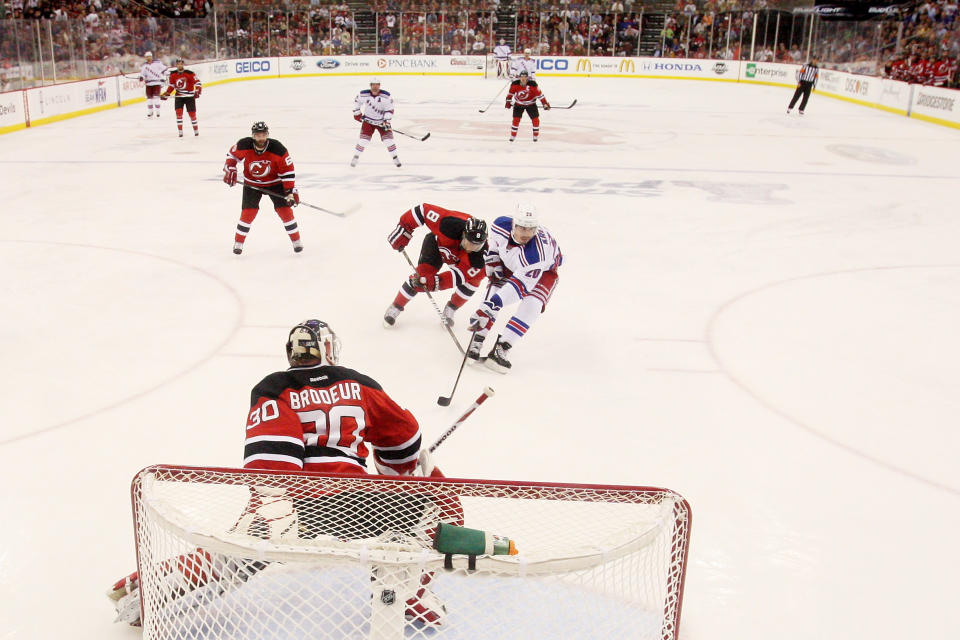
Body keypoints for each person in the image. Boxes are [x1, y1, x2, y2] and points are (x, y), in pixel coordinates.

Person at [108, 320, 455, 627]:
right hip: (357, 503)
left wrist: (268, 511)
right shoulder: (360, 384)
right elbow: (403, 440)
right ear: (330, 349)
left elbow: (270, 459)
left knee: (234, 559)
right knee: (442, 505)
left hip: (294, 505)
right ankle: (409, 595)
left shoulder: (274, 388)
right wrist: (402, 474)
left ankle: (147, 587)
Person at [468, 203, 562, 372]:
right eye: (522, 228)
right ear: (513, 225)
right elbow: (495, 244)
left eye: (531, 229)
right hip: (513, 262)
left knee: (533, 304)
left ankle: (502, 348)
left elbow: (519, 288)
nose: (527, 234)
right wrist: (494, 259)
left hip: (544, 270)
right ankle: (478, 337)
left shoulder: (536, 255)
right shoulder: (500, 225)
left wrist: (490, 306)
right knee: (495, 286)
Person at [384, 204, 488, 328]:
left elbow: (458, 277)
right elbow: (421, 210)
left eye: (477, 246)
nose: (471, 248)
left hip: (460, 263)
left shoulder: (481, 259)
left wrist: (436, 282)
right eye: (469, 243)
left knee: (473, 283)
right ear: (463, 234)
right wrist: (403, 229)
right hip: (436, 246)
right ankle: (396, 306)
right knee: (420, 278)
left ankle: (451, 309)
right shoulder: (448, 224)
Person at [223, 121, 302, 255]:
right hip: (252, 184)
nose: (261, 138)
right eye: (258, 135)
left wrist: (290, 191)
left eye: (264, 135)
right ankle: (238, 243)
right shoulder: (244, 145)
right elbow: (231, 156)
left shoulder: (278, 148)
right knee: (248, 213)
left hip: (275, 183)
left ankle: (296, 241)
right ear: (253, 136)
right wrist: (230, 168)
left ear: (267, 135)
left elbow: (287, 171)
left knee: (285, 211)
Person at [351, 77, 401, 168]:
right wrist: (357, 113)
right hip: (368, 121)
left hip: (381, 122)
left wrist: (386, 121)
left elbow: (390, 110)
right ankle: (355, 157)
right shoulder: (363, 94)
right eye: (373, 85)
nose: (375, 87)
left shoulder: (386, 96)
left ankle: (395, 158)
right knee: (363, 141)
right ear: (370, 86)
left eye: (377, 85)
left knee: (388, 141)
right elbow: (356, 102)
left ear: (379, 86)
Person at [160, 58, 201, 137]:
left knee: (192, 114)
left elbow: (198, 82)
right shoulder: (173, 74)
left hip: (189, 96)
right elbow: (171, 86)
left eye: (181, 63)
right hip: (179, 96)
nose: (180, 65)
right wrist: (166, 94)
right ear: (176, 65)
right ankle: (180, 132)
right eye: (178, 64)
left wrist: (197, 91)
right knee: (178, 113)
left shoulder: (190, 73)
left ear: (183, 64)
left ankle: (196, 131)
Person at [505, 71, 550, 142]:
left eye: (525, 77)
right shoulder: (514, 84)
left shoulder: (533, 85)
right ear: (519, 77)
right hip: (518, 104)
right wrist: (508, 102)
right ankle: (513, 135)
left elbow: (540, 96)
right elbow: (510, 94)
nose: (523, 79)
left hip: (531, 104)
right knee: (515, 120)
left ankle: (535, 135)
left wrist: (545, 103)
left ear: (527, 78)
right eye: (521, 77)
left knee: (535, 120)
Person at [138, 51, 168, 119]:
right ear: (145, 58)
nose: (148, 58)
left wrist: (168, 74)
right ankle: (150, 112)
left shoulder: (157, 63)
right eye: (147, 57)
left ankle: (158, 112)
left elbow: (164, 70)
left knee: (156, 98)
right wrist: (141, 77)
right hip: (148, 84)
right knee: (149, 99)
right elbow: (142, 74)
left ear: (151, 57)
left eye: (149, 56)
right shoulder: (144, 66)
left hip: (157, 83)